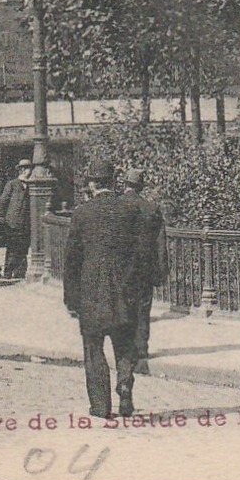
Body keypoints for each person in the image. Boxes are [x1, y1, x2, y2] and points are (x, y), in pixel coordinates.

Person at [63, 157, 152, 419]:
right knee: (124, 344)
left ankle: (101, 406)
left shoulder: (82, 213)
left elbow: (72, 260)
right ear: (114, 182)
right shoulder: (129, 211)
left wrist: (71, 298)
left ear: (91, 184)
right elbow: (141, 253)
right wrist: (135, 285)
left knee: (93, 348)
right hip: (124, 289)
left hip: (92, 291)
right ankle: (125, 384)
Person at [119, 169, 168, 372]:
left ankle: (125, 348)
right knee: (143, 308)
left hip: (122, 267)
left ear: (124, 185)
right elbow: (160, 242)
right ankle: (141, 348)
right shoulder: (151, 208)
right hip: (145, 267)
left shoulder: (117, 206)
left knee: (123, 306)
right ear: (141, 187)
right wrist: (161, 269)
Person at [0, 158, 34, 280]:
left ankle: (20, 272)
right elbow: (3, 201)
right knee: (12, 247)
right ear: (23, 170)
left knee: (23, 247)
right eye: (29, 168)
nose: (30, 171)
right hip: (12, 222)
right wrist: (3, 217)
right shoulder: (12, 184)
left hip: (26, 222)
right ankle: (8, 272)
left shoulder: (32, 185)